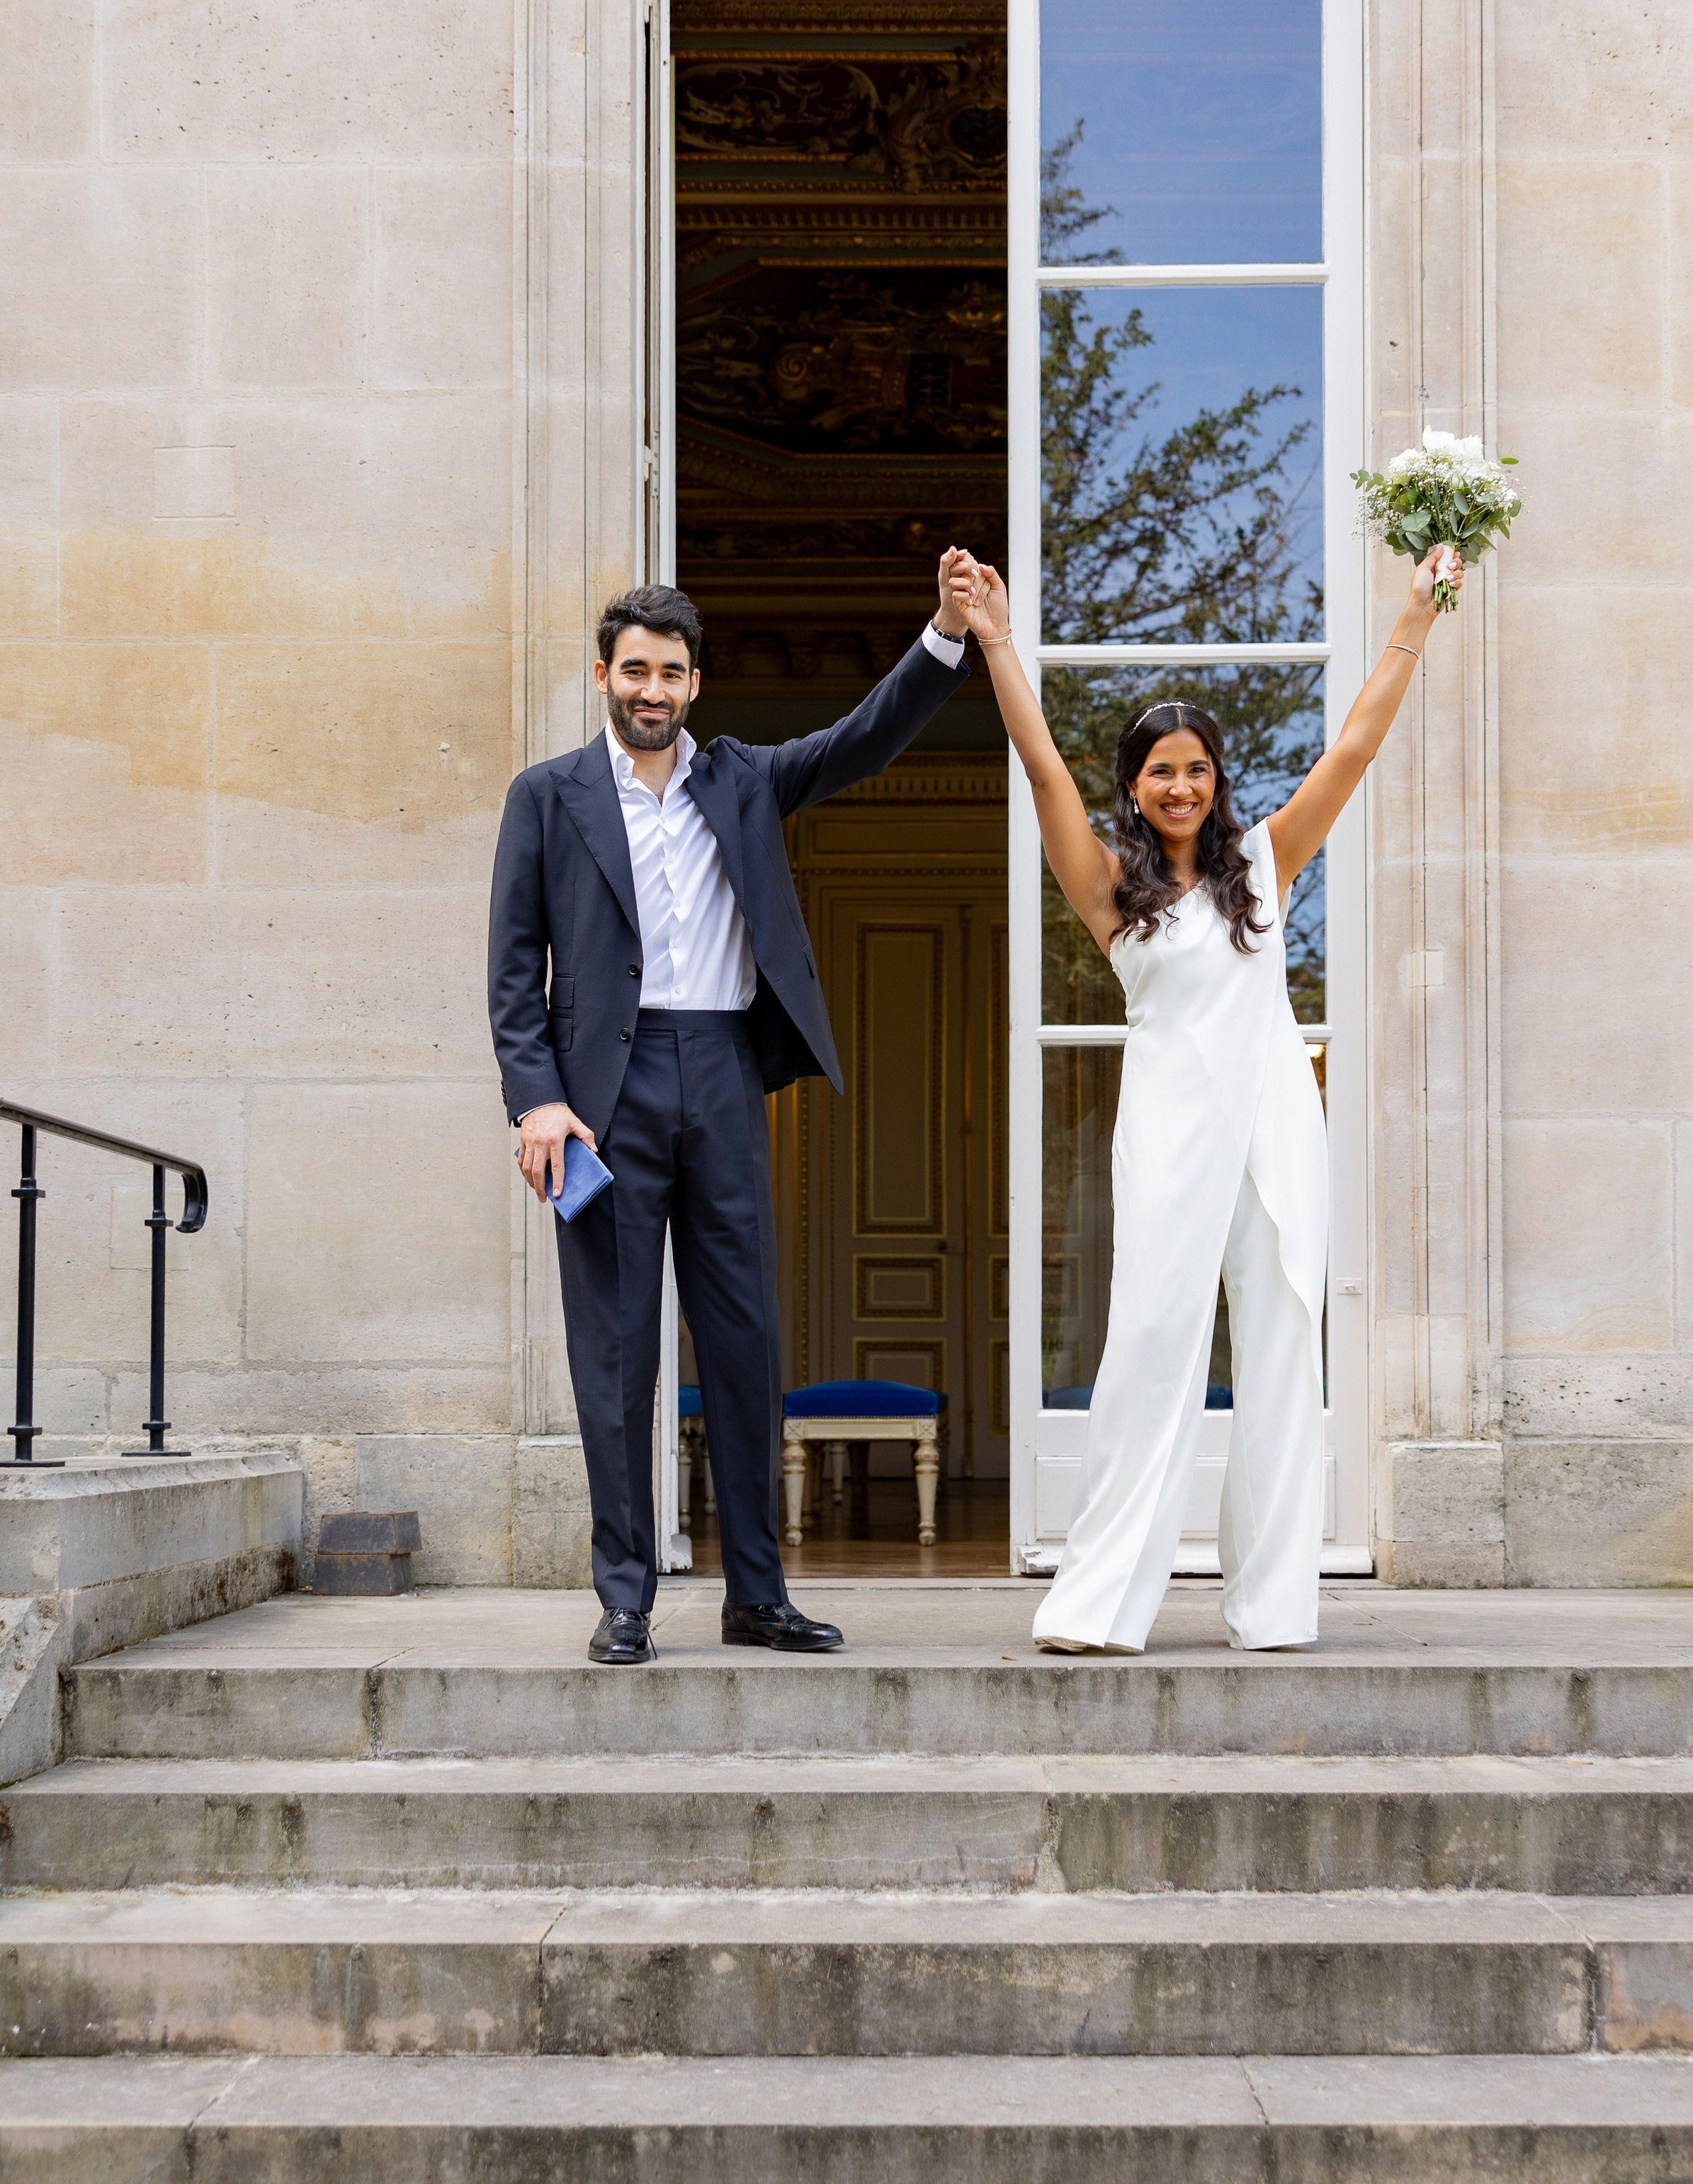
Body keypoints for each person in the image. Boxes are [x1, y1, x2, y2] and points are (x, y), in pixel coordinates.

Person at [948, 544, 1459, 1654]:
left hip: (1277, 1124)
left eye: (1197, 770)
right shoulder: (1108, 886)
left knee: (1281, 1351)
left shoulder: (1269, 864)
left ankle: (1273, 1606)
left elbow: (1356, 746)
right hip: (1172, 1136)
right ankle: (1097, 1606)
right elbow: (1039, 769)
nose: (1180, 786)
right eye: (1158, 771)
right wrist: (994, 638)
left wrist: (1414, 616)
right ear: (1133, 786)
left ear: (1218, 781)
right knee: (1149, 1349)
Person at [487, 565, 974, 1664]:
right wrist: (538, 1102)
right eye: (634, 669)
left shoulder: (744, 781)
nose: (651, 688)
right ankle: (625, 1598)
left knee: (748, 1343)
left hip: (718, 1071)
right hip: (600, 1101)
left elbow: (861, 738)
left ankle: (757, 1594)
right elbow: (516, 968)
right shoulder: (547, 796)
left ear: (695, 683)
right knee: (615, 1353)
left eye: (670, 671)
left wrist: (945, 633)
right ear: (603, 676)